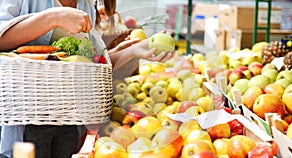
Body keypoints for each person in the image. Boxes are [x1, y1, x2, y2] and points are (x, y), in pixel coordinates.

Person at [0, 0, 174, 158]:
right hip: (23, 120)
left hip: (70, 123)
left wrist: (134, 51)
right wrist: (53, 17)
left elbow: (93, 65)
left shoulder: (85, 6)